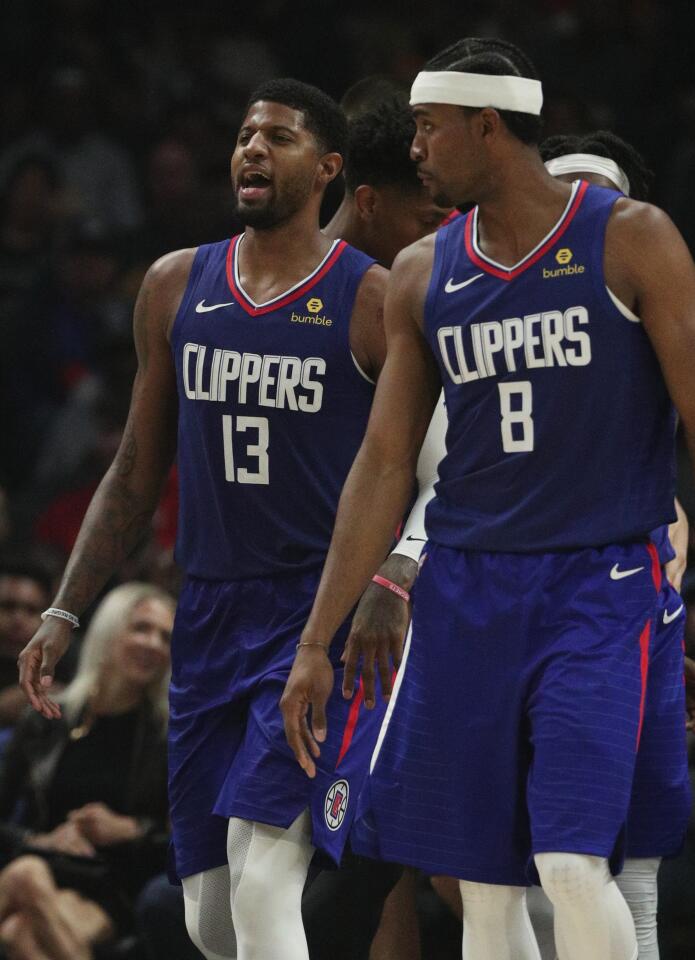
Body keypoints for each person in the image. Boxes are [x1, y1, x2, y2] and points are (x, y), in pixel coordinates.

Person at [280, 37, 695, 960]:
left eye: (428, 128)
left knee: (570, 861)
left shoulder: (631, 236)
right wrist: (318, 638)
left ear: (485, 127)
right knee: (482, 885)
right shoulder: (426, 271)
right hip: (464, 591)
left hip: (597, 584)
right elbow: (384, 464)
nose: (414, 148)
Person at [18, 78, 388, 960]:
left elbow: (413, 469)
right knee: (208, 919)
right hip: (208, 614)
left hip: (313, 616)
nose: (253, 149)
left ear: (328, 169)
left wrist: (390, 585)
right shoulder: (176, 283)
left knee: (264, 881)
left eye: (280, 138)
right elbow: (135, 469)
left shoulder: (368, 296)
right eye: (245, 135)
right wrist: (67, 609)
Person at [0, 581, 173, 960]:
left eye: (165, 637)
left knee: (19, 918)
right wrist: (42, 841)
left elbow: (182, 838)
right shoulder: (45, 721)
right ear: (109, 631)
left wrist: (131, 829)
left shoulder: (166, 737)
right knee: (21, 911)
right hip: (44, 864)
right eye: (141, 628)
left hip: (112, 886)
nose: (154, 644)